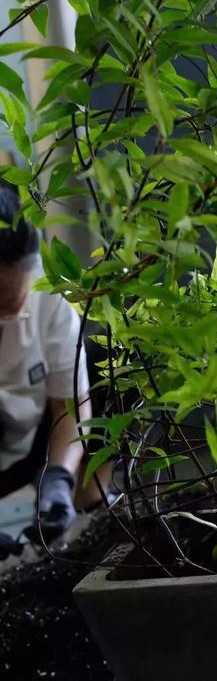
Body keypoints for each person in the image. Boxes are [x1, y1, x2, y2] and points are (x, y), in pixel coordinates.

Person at [0, 183, 92, 552]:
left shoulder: (48, 296)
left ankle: (78, 510)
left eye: (9, 302)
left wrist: (58, 478)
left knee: (111, 375)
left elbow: (70, 405)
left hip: (28, 438)